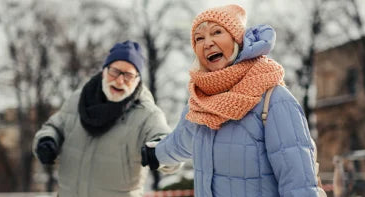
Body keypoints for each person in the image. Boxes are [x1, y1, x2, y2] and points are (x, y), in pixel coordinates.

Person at [142, 4, 326, 197]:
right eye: (199, 38)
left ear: (236, 39)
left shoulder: (274, 100)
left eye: (217, 32)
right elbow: (180, 142)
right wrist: (154, 154)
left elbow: (299, 184)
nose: (207, 43)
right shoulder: (199, 104)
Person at [33, 40, 176, 197]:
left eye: (128, 75)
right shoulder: (79, 99)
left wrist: (160, 152)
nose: (120, 80)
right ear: (104, 71)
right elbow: (55, 126)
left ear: (137, 80)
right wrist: (47, 140)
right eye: (115, 71)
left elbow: (168, 144)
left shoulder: (147, 115)